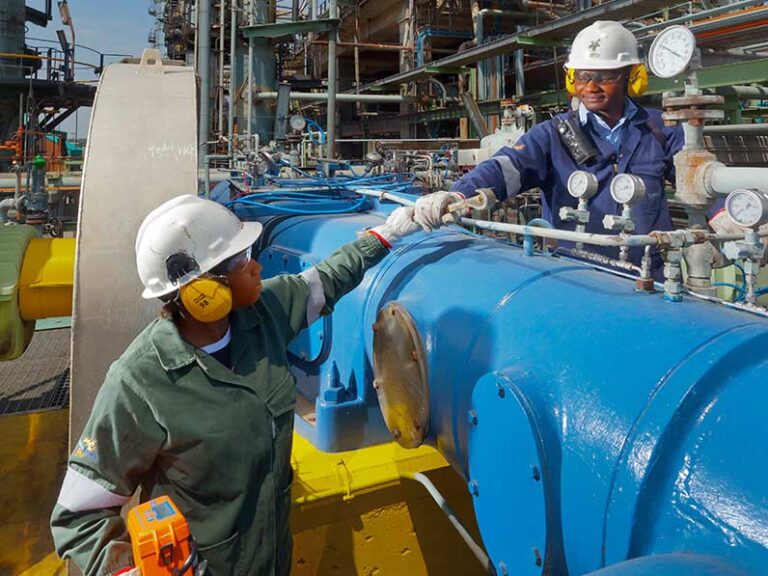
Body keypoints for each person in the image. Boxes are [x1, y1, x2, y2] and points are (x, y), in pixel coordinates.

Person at [50, 195, 425, 576]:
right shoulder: (141, 381)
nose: (256, 267)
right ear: (203, 293)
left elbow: (326, 280)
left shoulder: (264, 316)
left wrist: (391, 231)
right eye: (241, 261)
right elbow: (77, 516)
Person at [414, 21, 686, 274]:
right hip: (577, 274)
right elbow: (507, 167)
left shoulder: (661, 129)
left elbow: (697, 184)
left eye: (605, 76)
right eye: (582, 76)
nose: (591, 87)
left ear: (632, 76)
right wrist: (457, 194)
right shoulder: (553, 135)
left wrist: (713, 215)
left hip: (651, 276)